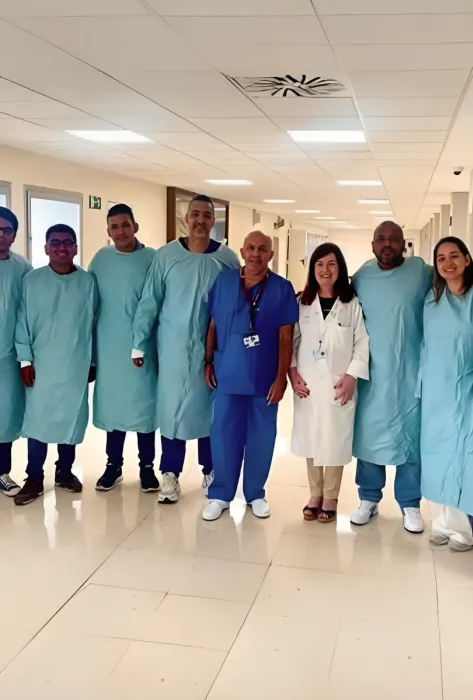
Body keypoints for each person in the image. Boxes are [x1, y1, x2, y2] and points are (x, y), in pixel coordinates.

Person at [132, 194, 240, 504]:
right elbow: (150, 300)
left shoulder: (227, 259)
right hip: (173, 348)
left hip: (214, 349)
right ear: (186, 218)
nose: (200, 220)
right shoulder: (167, 256)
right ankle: (170, 473)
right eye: (195, 214)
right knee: (172, 409)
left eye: (206, 215)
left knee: (210, 410)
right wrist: (139, 342)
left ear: (213, 220)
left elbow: (236, 305)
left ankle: (211, 469)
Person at [202, 230, 299, 521]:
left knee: (262, 435)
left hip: (264, 375)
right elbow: (213, 324)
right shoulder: (224, 282)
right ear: (242, 252)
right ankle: (220, 494)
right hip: (228, 371)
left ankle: (255, 493)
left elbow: (286, 336)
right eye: (251, 248)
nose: (256, 254)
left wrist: (281, 378)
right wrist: (208, 360)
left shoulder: (282, 288)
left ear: (271, 254)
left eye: (262, 249)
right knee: (223, 433)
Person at [350, 221, 432, 533]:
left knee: (410, 436)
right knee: (369, 435)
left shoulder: (420, 272)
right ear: (373, 244)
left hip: (410, 371)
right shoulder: (362, 277)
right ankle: (368, 498)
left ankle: (410, 502)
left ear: (403, 244)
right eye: (381, 239)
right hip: (372, 373)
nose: (387, 244)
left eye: (393, 239)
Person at [13, 224, 97, 506]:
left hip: (75, 364)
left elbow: (94, 323)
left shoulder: (88, 282)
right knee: (39, 421)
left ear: (76, 248)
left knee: (70, 419)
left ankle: (64, 471)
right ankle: (34, 477)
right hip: (41, 365)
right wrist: (25, 360)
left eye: (68, 242)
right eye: (56, 242)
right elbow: (22, 322)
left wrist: (93, 361)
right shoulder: (31, 281)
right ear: (46, 248)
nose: (62, 247)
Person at [290, 243, 369, 523]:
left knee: (335, 439)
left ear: (341, 268)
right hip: (308, 383)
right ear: (313, 269)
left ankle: (331, 497)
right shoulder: (302, 302)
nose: (326, 270)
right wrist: (292, 373)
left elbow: (362, 342)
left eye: (332, 264)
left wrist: (352, 376)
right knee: (311, 437)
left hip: (339, 383)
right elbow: (292, 341)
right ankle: (315, 494)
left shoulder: (352, 304)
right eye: (320, 264)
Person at [89, 204, 159, 493]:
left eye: (125, 225)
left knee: (144, 409)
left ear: (135, 227)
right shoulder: (101, 259)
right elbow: (91, 303)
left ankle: (147, 467)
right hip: (109, 346)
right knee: (114, 408)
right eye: (114, 227)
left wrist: (140, 344)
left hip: (143, 347)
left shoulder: (152, 258)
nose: (120, 231)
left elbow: (153, 302)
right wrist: (91, 355)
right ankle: (113, 465)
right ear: (108, 231)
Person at [420, 237, 473, 551]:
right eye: (441, 258)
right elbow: (426, 345)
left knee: (465, 456)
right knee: (439, 455)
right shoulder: (433, 299)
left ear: (467, 259)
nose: (448, 263)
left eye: (454, 256)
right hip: (437, 391)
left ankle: (465, 527)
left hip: (467, 389)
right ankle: (444, 521)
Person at [0, 207, 32, 496]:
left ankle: (2, 473)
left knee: (5, 416)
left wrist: (25, 356)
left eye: (6, 230)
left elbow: (29, 312)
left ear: (14, 235)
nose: (0, 235)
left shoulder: (22, 267)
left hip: (8, 357)